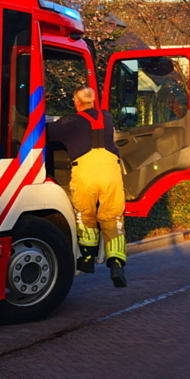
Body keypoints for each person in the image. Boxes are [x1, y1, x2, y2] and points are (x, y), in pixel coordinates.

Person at [46, 86, 128, 287]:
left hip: (86, 173)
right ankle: (116, 263)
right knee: (113, 217)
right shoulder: (107, 117)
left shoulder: (70, 122)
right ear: (93, 101)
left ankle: (88, 259)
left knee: (85, 215)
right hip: (111, 172)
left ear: (76, 102)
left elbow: (44, 134)